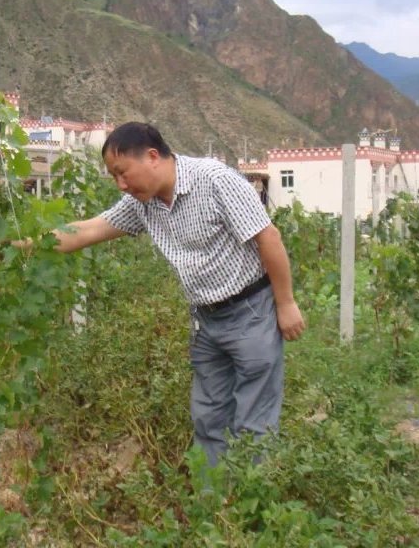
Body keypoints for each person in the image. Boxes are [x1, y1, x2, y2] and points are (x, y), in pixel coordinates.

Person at [52, 122, 305, 465]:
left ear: (152, 157)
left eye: (123, 173)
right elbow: (91, 229)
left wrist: (285, 303)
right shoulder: (143, 203)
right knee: (209, 417)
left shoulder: (215, 179)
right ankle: (213, 504)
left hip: (251, 311)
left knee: (254, 421)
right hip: (206, 320)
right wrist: (26, 242)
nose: (121, 185)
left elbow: (268, 237)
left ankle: (253, 508)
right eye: (114, 177)